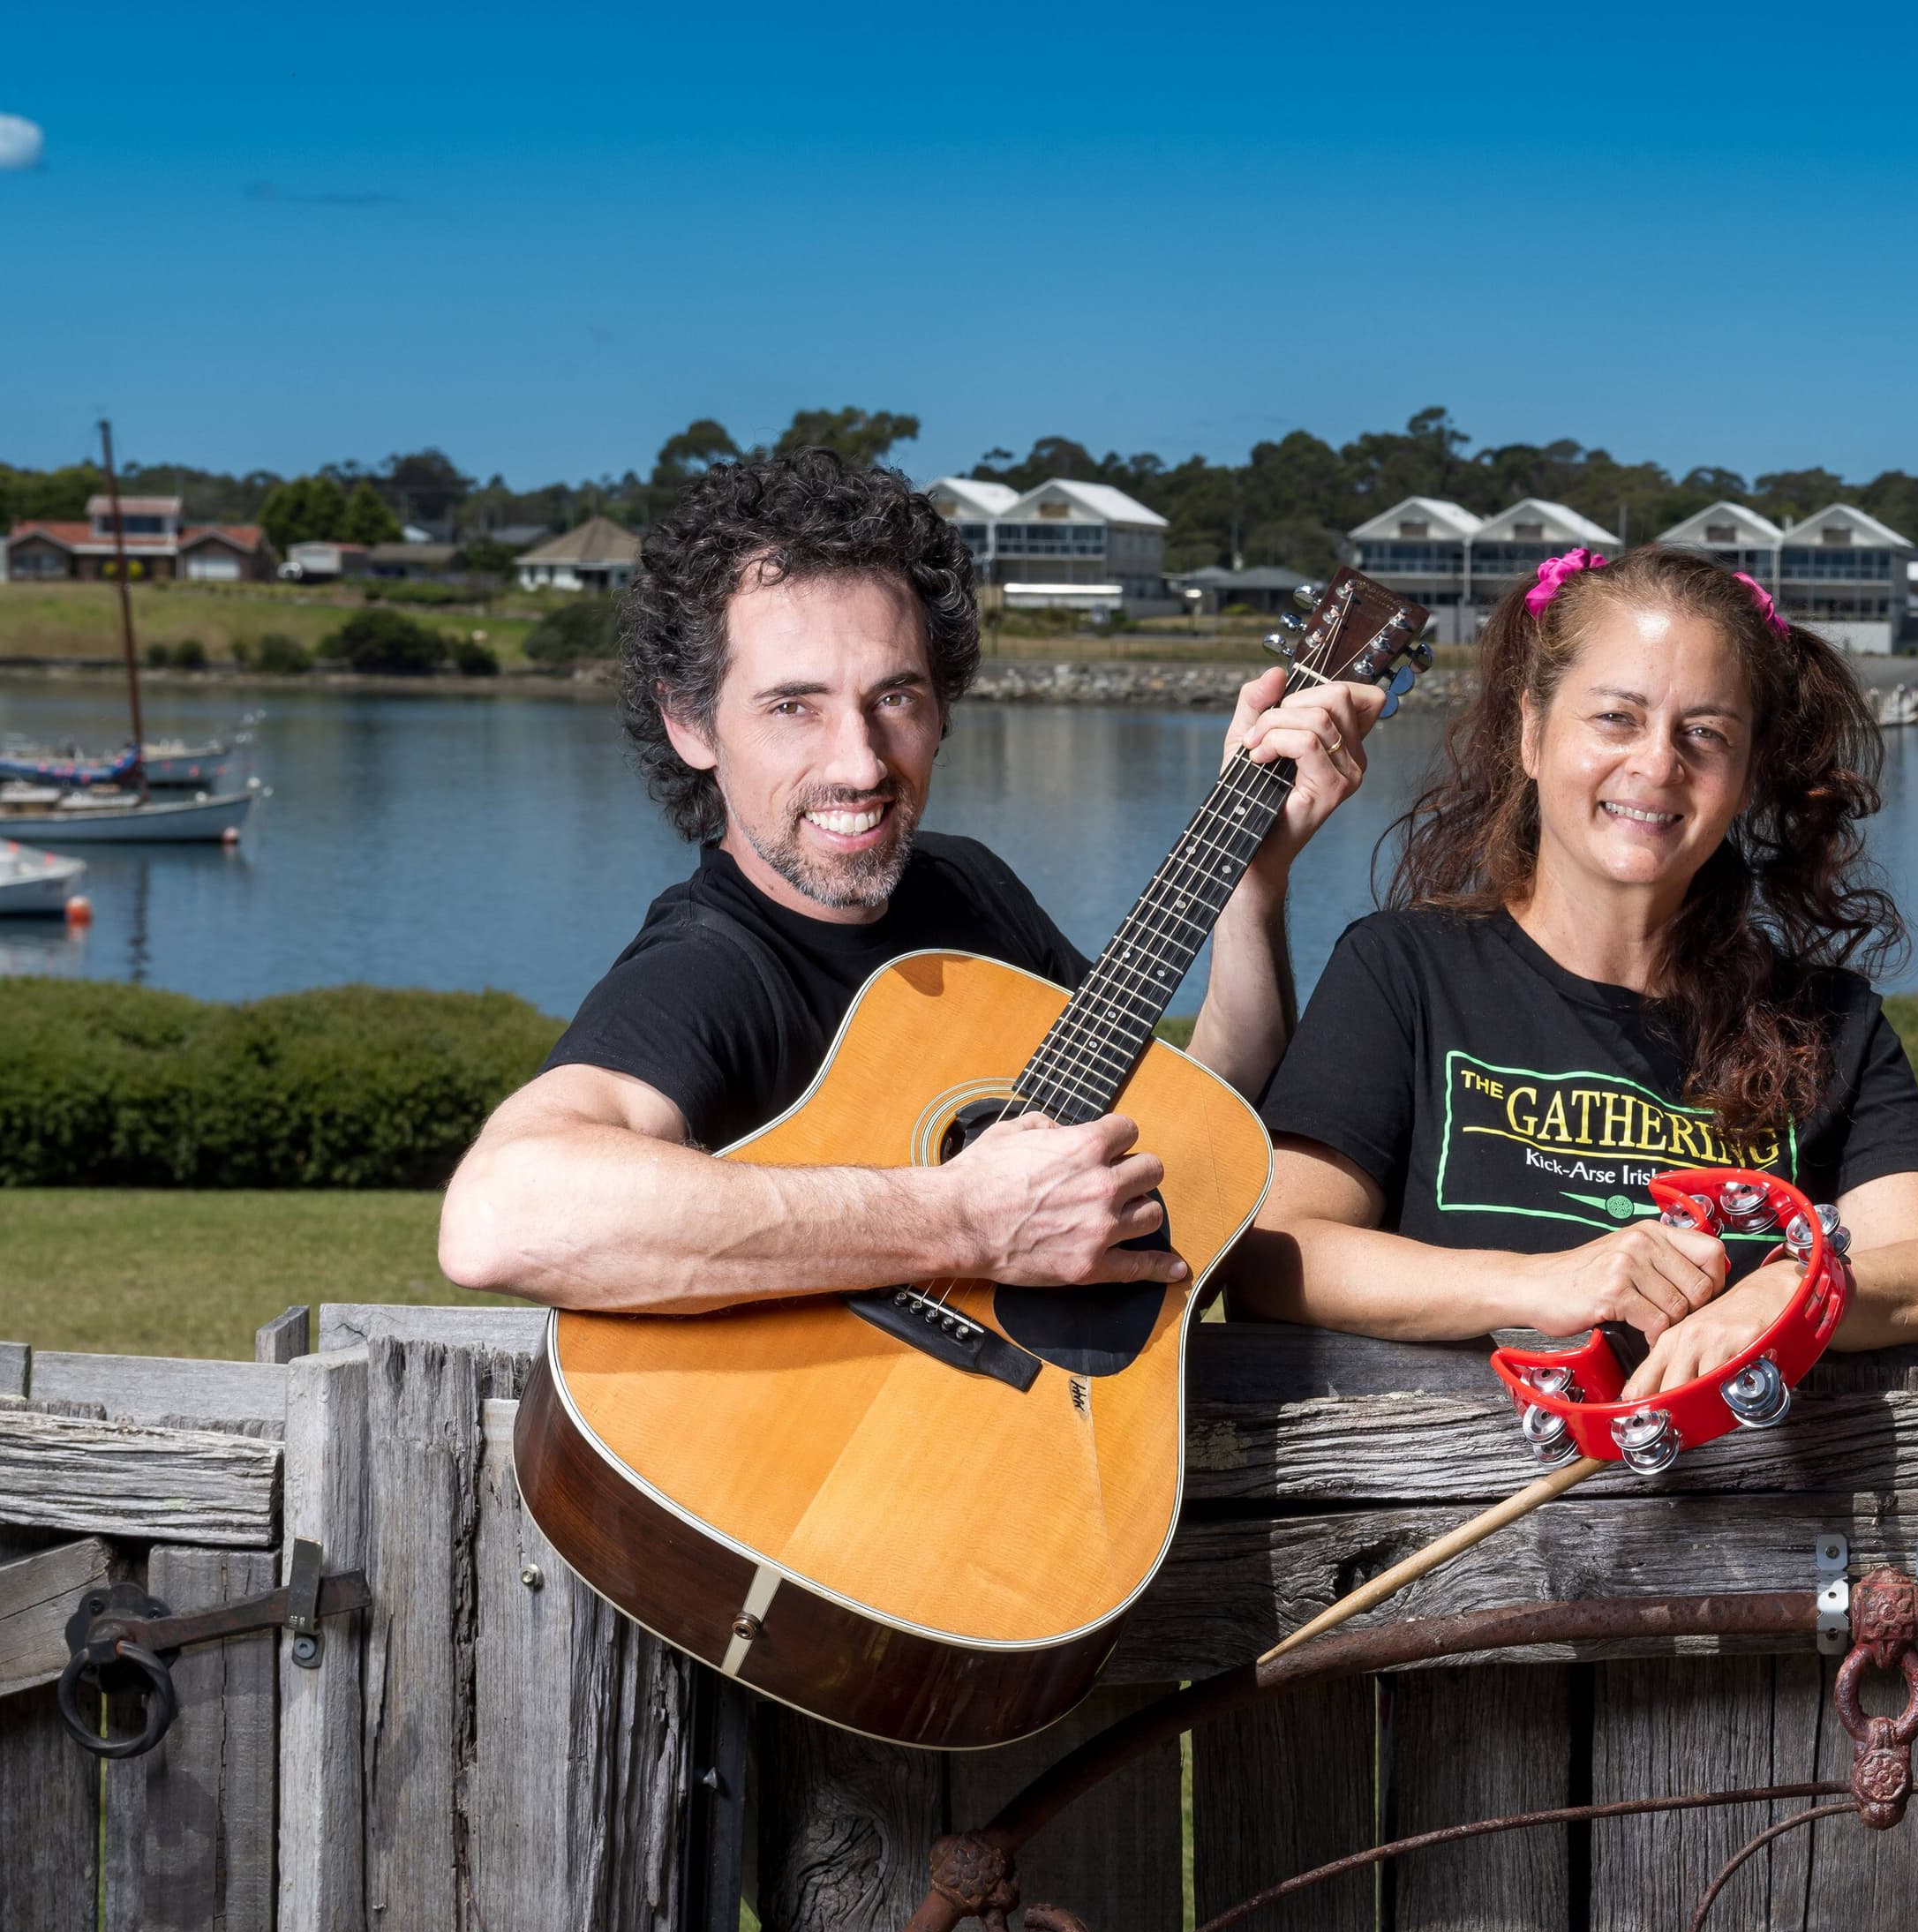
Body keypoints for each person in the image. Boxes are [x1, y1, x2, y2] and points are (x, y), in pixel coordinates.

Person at [439, 450, 1385, 1312]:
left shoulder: (966, 886)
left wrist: (1255, 880)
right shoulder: (709, 967)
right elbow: (498, 1216)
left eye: (895, 697)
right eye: (792, 706)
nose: (860, 763)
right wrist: (959, 1220)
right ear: (691, 725)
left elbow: (1192, 1112)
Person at [1228, 545, 1918, 1390]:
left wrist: (1800, 1289)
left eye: (1706, 734)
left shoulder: (1830, 1020)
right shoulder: (1404, 969)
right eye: (1616, 718)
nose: (1659, 765)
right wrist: (1543, 1282)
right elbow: (1273, 1256)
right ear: (1531, 733)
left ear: (1745, 776)